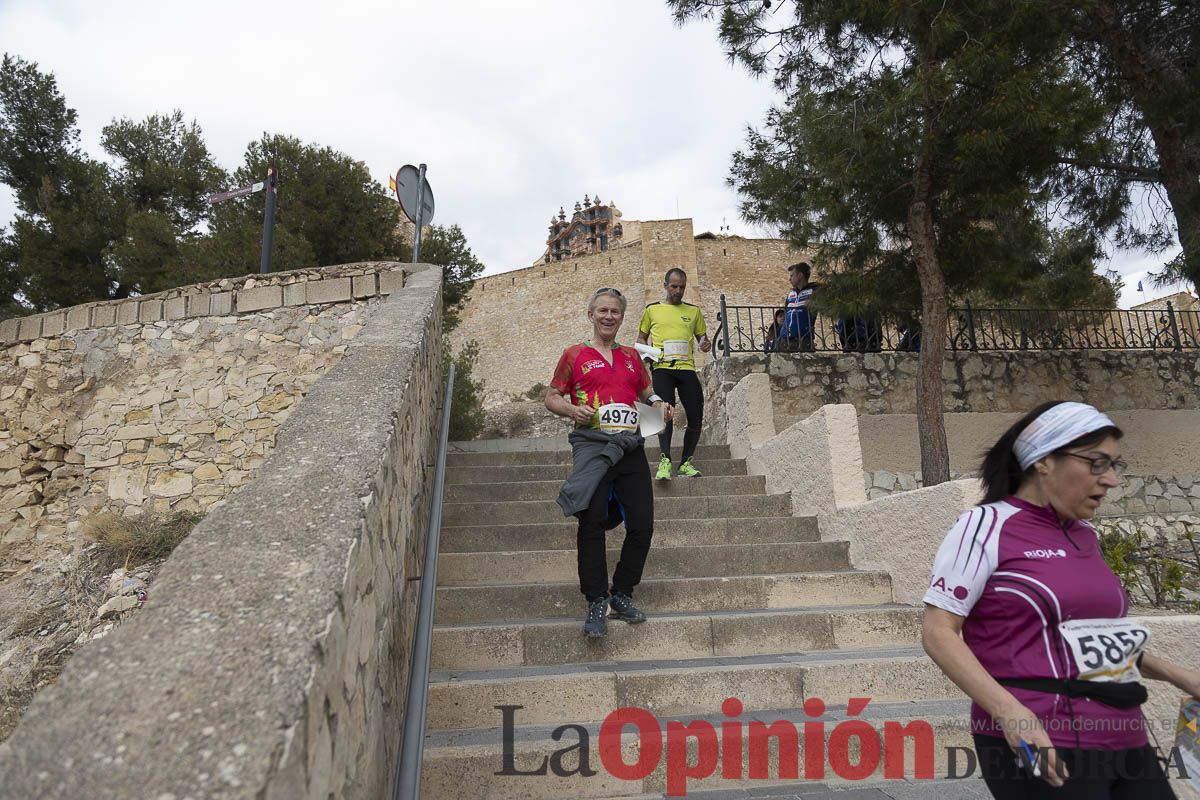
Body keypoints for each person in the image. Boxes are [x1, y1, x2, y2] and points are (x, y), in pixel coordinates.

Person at [922, 400, 1200, 798]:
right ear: (1044, 461)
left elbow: (1096, 643)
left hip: (1125, 734)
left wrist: (1182, 676)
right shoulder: (984, 525)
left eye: (1114, 466)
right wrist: (1009, 713)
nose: (1111, 480)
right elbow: (938, 631)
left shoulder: (1085, 535)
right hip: (1039, 735)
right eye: (1097, 463)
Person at [545, 287, 672, 638]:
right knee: (591, 523)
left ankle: (621, 593)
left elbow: (646, 392)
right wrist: (572, 409)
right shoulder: (574, 354)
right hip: (591, 446)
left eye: (615, 312)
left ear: (621, 317)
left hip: (629, 445)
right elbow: (551, 396)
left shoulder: (632, 356)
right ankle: (596, 600)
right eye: (602, 310)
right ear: (591, 315)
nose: (609, 316)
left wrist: (659, 402)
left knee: (643, 524)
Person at [637, 268, 710, 480]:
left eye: (682, 287)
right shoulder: (652, 310)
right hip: (662, 368)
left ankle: (686, 463)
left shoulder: (694, 311)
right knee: (662, 413)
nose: (678, 291)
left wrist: (705, 344)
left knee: (696, 414)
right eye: (674, 286)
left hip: (687, 368)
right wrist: (646, 354)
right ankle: (665, 460)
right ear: (665, 285)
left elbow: (702, 339)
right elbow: (641, 338)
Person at [778, 261, 817, 352]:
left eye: (792, 276)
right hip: (785, 338)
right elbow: (786, 312)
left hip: (803, 338)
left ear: (800, 275)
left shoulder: (814, 292)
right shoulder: (791, 294)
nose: (789, 279)